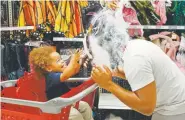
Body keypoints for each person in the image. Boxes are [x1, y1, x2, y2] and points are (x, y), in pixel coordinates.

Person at [87, 10, 185, 120]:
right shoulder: (135, 46)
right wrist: (121, 74)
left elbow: (147, 108)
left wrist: (108, 84)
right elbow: (149, 77)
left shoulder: (135, 58)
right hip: (175, 104)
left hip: (174, 110)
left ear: (106, 45)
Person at [29, 46, 94, 120]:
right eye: (58, 61)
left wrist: (79, 61)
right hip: (53, 109)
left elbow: (74, 70)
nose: (63, 61)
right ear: (48, 68)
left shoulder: (56, 73)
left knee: (85, 106)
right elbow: (67, 74)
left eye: (61, 59)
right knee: (75, 115)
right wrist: (73, 59)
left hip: (63, 104)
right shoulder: (49, 77)